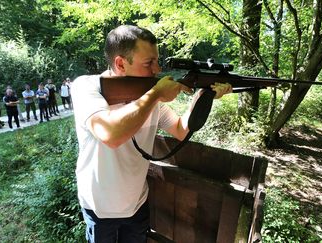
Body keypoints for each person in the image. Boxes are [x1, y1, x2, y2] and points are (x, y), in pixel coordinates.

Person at [70, 25, 232, 243]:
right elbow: (110, 134)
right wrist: (155, 94)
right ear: (120, 63)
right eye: (148, 63)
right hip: (99, 208)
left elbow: (181, 130)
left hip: (137, 203)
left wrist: (204, 95)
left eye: (156, 61)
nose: (157, 70)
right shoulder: (87, 87)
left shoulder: (149, 96)